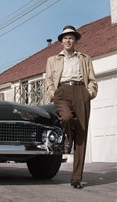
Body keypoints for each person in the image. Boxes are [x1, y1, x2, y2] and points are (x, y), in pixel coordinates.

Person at [45, 25, 98, 189]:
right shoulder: (52, 60)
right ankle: (68, 137)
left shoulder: (84, 58)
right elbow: (48, 81)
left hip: (81, 91)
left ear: (75, 40)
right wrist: (53, 94)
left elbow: (92, 80)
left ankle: (76, 178)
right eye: (65, 38)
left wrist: (89, 93)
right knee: (66, 117)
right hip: (62, 91)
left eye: (71, 37)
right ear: (61, 41)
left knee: (81, 135)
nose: (68, 40)